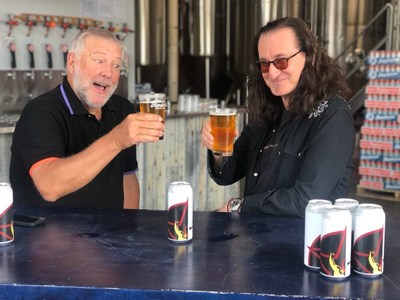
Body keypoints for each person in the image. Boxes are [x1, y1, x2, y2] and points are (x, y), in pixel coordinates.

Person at [201, 17, 355, 216]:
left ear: (311, 58)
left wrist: (239, 205)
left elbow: (307, 201)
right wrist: (217, 149)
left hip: (307, 243)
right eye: (265, 64)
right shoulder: (268, 111)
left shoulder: (332, 116)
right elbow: (226, 173)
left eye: (281, 61)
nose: (272, 73)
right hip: (257, 240)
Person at [10, 28, 164, 209]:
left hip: (109, 235)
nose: (108, 73)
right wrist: (116, 140)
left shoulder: (122, 110)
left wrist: (129, 227)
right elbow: (49, 186)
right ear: (72, 62)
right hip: (43, 234)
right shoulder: (40, 112)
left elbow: (127, 178)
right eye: (99, 61)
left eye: (116, 65)